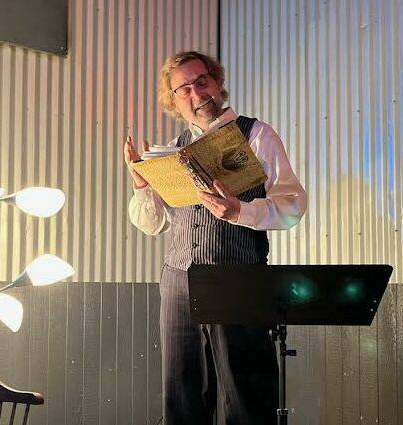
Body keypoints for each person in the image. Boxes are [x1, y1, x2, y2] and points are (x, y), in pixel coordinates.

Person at [124, 51, 307, 425]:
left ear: (218, 83)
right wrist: (142, 185)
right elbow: (153, 224)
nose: (197, 94)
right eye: (184, 89)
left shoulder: (256, 135)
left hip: (237, 279)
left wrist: (240, 211)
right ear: (174, 101)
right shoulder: (172, 150)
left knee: (246, 399)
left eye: (202, 81)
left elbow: (292, 205)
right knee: (182, 401)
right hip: (178, 284)